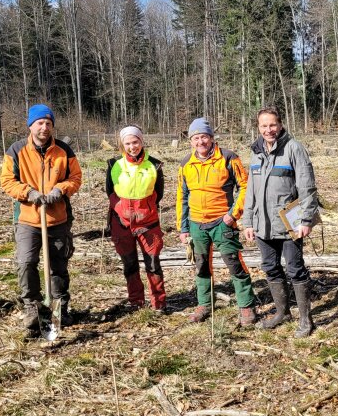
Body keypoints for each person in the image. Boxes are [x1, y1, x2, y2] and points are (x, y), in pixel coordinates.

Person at [0, 104, 82, 335]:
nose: (44, 127)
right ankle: (32, 308)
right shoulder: (16, 151)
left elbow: (76, 178)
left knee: (58, 266)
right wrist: (28, 193)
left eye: (48, 123)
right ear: (31, 126)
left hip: (57, 219)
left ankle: (59, 309)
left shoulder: (64, 151)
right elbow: (7, 181)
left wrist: (61, 189)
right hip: (28, 219)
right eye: (40, 123)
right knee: (26, 263)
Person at [242, 106, 318, 338]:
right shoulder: (256, 152)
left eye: (272, 125)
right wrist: (247, 221)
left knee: (295, 269)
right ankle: (282, 313)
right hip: (262, 224)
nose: (268, 130)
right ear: (258, 127)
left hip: (289, 224)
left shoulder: (294, 148)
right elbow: (250, 191)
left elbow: (307, 187)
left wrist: (306, 219)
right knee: (271, 268)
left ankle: (306, 319)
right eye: (264, 126)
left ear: (281, 124)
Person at [176, 117, 257, 326]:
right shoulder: (186, 163)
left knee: (234, 263)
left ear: (211, 138)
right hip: (196, 223)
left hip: (222, 221)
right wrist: (183, 227)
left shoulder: (229, 158)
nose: (200, 142)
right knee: (201, 266)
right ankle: (204, 303)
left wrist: (233, 215)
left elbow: (245, 186)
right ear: (190, 141)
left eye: (204, 137)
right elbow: (182, 196)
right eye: (196, 138)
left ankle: (246, 306)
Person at [106, 125, 166, 312]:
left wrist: (143, 209)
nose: (133, 147)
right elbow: (110, 191)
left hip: (148, 223)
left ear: (142, 142)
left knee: (153, 263)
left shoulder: (154, 165)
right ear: (122, 145)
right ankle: (136, 302)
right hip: (121, 223)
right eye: (128, 143)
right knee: (130, 264)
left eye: (135, 142)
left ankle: (159, 303)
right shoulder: (113, 165)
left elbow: (159, 193)